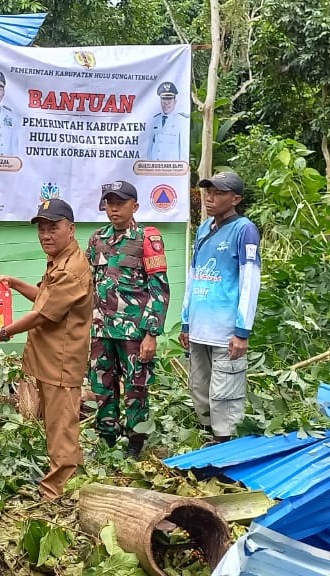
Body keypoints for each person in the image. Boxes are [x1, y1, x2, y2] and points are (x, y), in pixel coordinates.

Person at [0, 199, 91, 500]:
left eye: (53, 228)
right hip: (50, 358)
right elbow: (45, 298)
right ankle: (67, 485)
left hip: (61, 361)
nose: (46, 235)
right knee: (58, 426)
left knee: (61, 429)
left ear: (71, 228)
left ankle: (56, 495)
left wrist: (2, 333)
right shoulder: (60, 261)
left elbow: (42, 315)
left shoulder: (71, 269)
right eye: (42, 229)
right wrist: (15, 283)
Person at [86, 181, 171, 458]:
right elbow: (86, 281)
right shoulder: (97, 238)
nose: (114, 208)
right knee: (102, 385)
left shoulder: (148, 237)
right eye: (109, 203)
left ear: (134, 206)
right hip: (101, 330)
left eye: (120, 203)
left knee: (137, 388)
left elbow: (159, 287)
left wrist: (151, 333)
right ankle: (108, 439)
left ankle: (136, 443)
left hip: (135, 332)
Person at [180, 171, 260, 444]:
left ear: (235, 198)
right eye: (208, 192)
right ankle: (206, 441)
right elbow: (194, 275)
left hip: (226, 332)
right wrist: (185, 322)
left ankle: (225, 451)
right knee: (199, 388)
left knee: (225, 393)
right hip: (199, 327)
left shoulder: (244, 230)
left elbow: (250, 280)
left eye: (218, 193)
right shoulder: (204, 228)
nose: (210, 198)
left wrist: (242, 331)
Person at [143, 82, 189, 161]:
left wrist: (182, 170)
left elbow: (184, 150)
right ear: (160, 101)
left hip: (172, 169)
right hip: (155, 168)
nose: (166, 103)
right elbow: (150, 148)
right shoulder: (154, 120)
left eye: (169, 100)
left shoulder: (182, 121)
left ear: (175, 101)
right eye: (164, 99)